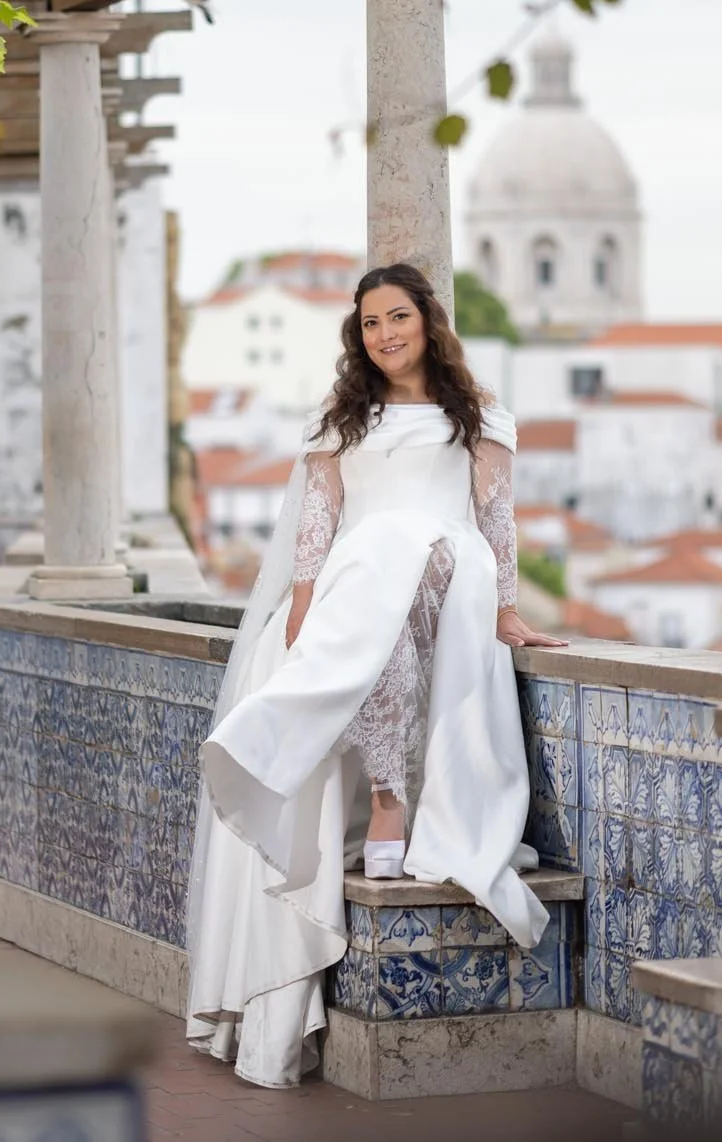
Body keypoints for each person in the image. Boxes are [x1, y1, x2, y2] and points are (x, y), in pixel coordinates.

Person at [184, 262, 566, 1088]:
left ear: (427, 321)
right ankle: (389, 796)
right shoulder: (341, 418)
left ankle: (395, 800)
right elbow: (318, 525)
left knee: (410, 548)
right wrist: (303, 606)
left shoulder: (480, 416)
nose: (385, 334)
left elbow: (495, 521)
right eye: (369, 324)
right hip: (360, 588)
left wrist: (506, 608)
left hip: (451, 581)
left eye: (398, 317)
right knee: (380, 553)